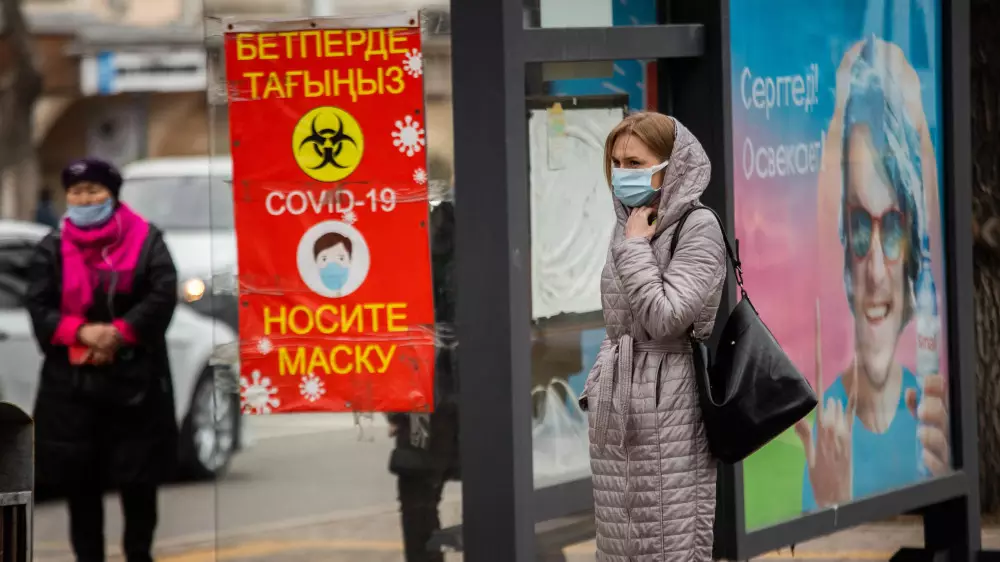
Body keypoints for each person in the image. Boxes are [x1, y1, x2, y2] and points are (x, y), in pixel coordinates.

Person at [794, 37, 951, 510]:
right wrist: (831, 503)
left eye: (895, 227)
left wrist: (919, 124)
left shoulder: (933, 420)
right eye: (860, 227)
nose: (878, 272)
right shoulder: (820, 439)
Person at [582, 112, 726, 561]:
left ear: (671, 165)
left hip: (669, 396)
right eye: (616, 163)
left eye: (635, 163)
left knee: (667, 537)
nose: (623, 173)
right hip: (620, 396)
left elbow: (666, 318)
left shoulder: (698, 226)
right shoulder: (633, 222)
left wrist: (634, 248)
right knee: (620, 538)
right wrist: (600, 381)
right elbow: (619, 316)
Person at [25, 158, 179, 562]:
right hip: (73, 388)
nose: (84, 199)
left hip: (135, 385)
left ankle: (139, 553)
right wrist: (79, 332)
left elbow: (162, 294)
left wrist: (120, 332)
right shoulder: (52, 246)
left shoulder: (147, 241)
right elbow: (38, 304)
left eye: (94, 191)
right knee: (80, 485)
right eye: (76, 192)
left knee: (139, 483)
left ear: (112, 195)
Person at [387, 170, 459, 562]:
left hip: (429, 391)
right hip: (430, 391)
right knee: (418, 489)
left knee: (418, 493)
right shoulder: (425, 234)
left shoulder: (420, 234)